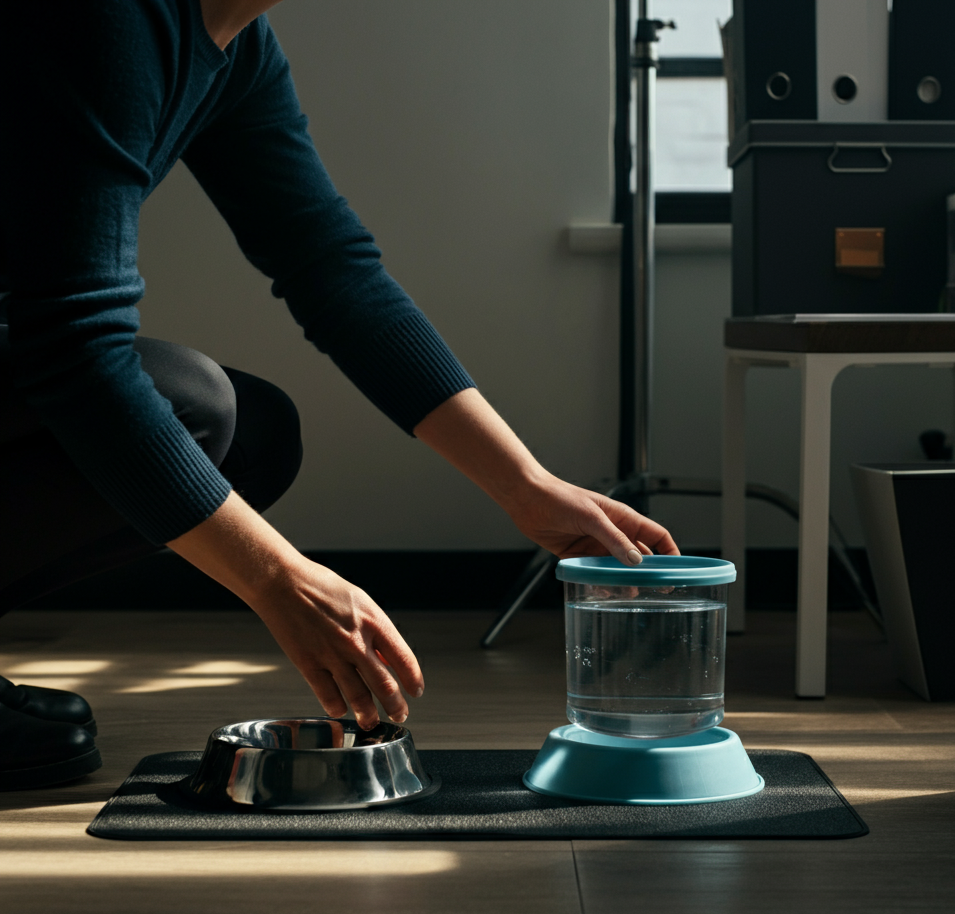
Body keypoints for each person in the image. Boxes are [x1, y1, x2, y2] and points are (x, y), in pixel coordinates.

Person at [0, 0, 679, 790]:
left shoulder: (236, 44)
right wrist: (279, 580)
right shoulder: (105, 22)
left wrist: (525, 485)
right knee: (192, 403)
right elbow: (76, 347)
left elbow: (332, 269)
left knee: (254, 434)